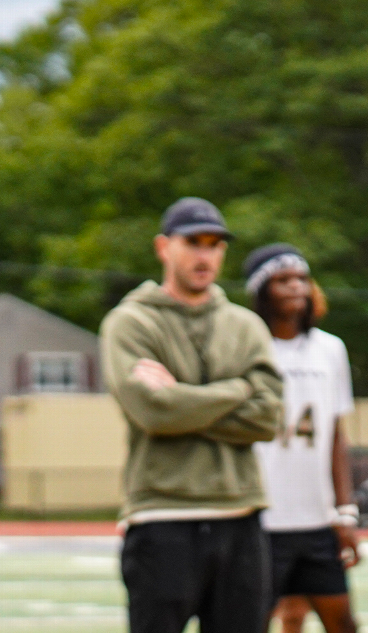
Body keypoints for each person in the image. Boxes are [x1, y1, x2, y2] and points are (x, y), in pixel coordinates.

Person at [101, 197, 283, 633]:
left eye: (215, 244)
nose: (205, 255)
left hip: (240, 515)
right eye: (193, 242)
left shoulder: (245, 325)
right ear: (163, 247)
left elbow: (267, 418)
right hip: (161, 517)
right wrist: (238, 390)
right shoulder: (130, 323)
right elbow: (155, 412)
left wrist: (183, 398)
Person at [246, 243, 361, 633]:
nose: (296, 286)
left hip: (317, 521)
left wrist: (345, 511)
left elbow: (336, 437)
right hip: (261, 519)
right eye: (283, 279)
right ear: (261, 290)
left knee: (343, 622)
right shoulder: (247, 348)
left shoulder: (330, 349)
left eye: (301, 278)